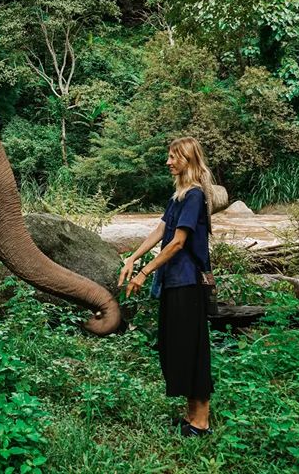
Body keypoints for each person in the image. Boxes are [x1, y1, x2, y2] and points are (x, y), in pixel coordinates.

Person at [118, 136, 215, 437]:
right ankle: (191, 417)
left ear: (188, 160)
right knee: (178, 347)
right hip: (175, 283)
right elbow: (161, 230)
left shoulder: (195, 195)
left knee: (192, 349)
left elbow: (177, 242)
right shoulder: (179, 196)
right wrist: (132, 258)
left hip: (187, 283)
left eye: (174, 157)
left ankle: (201, 423)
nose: (168, 162)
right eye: (169, 156)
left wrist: (144, 272)